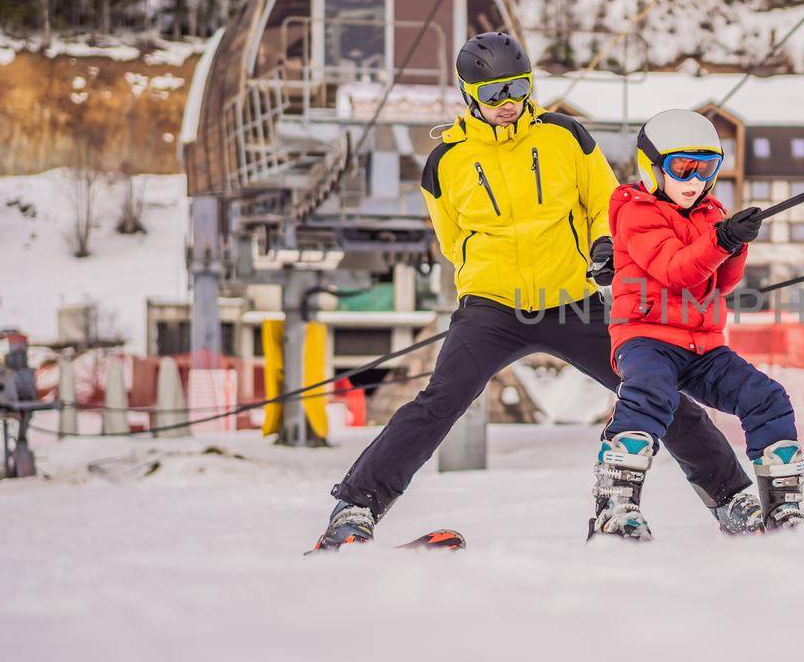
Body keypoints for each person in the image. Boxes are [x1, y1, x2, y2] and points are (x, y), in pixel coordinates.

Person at [314, 35, 763, 550]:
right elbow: (453, 240)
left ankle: (733, 500)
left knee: (655, 388)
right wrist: (485, 281)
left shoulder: (565, 136)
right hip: (493, 308)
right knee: (440, 400)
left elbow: (604, 201)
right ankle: (355, 510)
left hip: (572, 299)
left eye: (518, 87)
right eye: (493, 91)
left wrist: (602, 246)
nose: (507, 101)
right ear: (468, 94)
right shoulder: (445, 163)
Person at [590, 109, 804, 541]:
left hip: (702, 347)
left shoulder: (711, 212)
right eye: (682, 168)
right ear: (652, 167)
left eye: (706, 168)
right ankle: (616, 507)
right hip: (647, 339)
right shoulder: (637, 213)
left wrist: (736, 242)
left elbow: (723, 282)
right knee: (649, 397)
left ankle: (782, 511)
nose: (695, 181)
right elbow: (676, 271)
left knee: (766, 397)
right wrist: (723, 240)